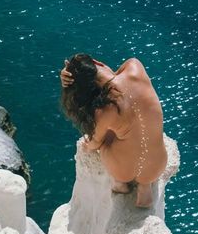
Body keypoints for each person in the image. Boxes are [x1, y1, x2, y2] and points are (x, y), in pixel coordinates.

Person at [59, 53, 167, 209]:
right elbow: (116, 78)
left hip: (124, 171)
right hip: (157, 165)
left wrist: (87, 145)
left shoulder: (105, 110)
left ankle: (120, 185)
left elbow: (94, 144)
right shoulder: (135, 67)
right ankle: (145, 188)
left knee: (105, 138)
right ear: (97, 62)